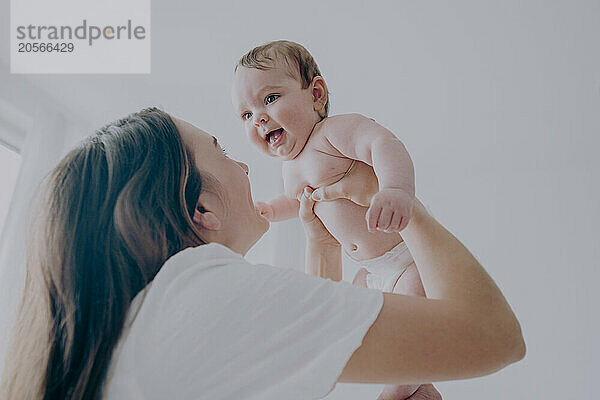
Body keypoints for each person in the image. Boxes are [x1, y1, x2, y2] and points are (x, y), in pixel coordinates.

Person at [0, 108, 525, 400]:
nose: (246, 165)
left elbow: (316, 343)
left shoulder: (151, 321)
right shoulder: (197, 290)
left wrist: (321, 242)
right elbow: (493, 336)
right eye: (222, 151)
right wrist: (410, 211)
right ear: (201, 207)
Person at [231, 40, 430, 398]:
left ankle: (398, 390)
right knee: (350, 326)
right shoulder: (291, 169)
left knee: (410, 325)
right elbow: (296, 202)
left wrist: (397, 190)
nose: (258, 117)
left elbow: (384, 144)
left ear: (316, 94)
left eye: (270, 98)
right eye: (245, 114)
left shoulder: (334, 133)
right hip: (371, 271)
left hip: (406, 260)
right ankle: (420, 389)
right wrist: (272, 211)